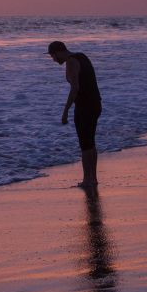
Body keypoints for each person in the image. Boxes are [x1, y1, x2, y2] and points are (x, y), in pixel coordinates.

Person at [48, 41, 102, 190]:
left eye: (53, 56)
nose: (53, 60)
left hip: (84, 106)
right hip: (96, 103)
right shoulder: (82, 56)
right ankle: (93, 178)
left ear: (59, 52)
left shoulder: (71, 62)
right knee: (90, 142)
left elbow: (75, 88)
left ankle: (87, 180)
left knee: (85, 144)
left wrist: (65, 110)